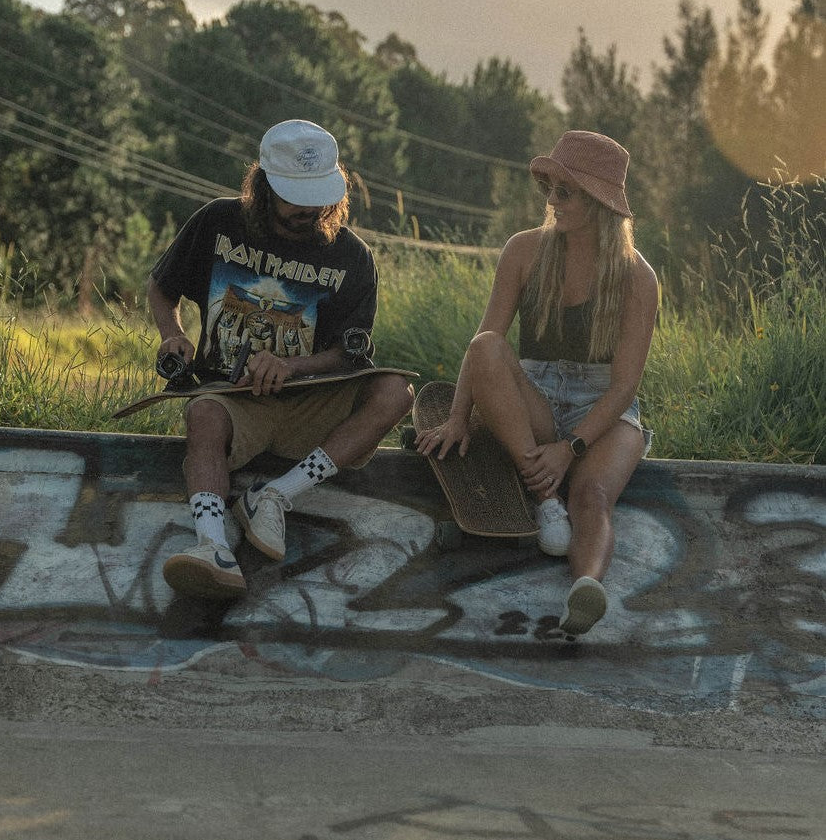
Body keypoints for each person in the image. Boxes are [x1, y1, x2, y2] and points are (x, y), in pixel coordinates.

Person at [147, 118, 415, 599]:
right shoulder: (216, 222)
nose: (309, 210)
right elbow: (161, 289)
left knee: (396, 391)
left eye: (320, 197)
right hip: (232, 397)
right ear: (264, 186)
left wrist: (293, 366)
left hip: (308, 400)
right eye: (296, 197)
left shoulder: (353, 257)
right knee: (203, 415)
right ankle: (213, 548)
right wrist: (173, 335)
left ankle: (275, 495)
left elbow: (350, 354)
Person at [415, 130, 658, 637]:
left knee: (592, 496)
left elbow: (623, 389)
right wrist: (459, 416)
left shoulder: (638, 277)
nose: (552, 201)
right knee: (486, 346)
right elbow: (486, 343)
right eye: (548, 188)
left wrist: (571, 447)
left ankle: (585, 587)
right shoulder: (524, 250)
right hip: (537, 395)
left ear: (598, 202)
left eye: (564, 191)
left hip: (604, 408)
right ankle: (545, 500)